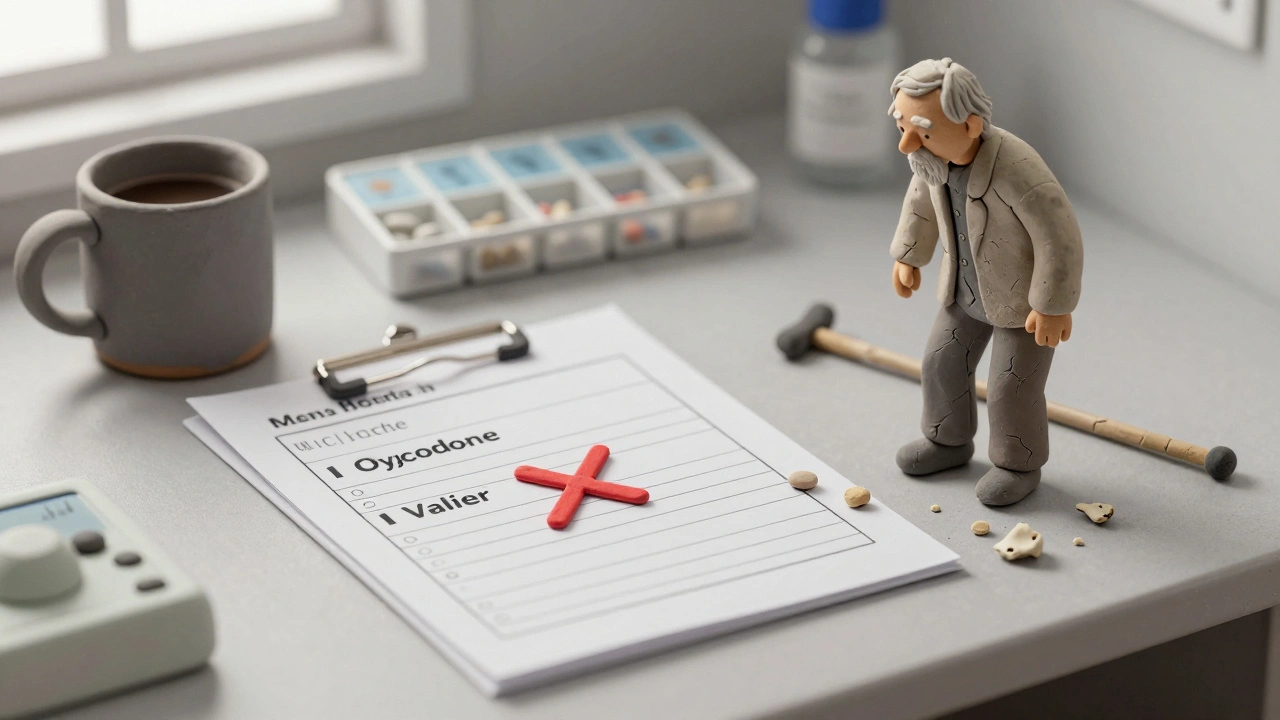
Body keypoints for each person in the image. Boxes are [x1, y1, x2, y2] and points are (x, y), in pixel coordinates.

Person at [887, 57, 1083, 506]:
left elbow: (1059, 235)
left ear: (971, 125)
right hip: (964, 291)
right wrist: (909, 255)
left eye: (922, 130)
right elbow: (920, 200)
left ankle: (1019, 463)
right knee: (940, 362)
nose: (907, 144)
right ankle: (947, 440)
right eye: (902, 127)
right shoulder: (931, 160)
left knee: (1010, 386)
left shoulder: (1019, 170)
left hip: (1024, 307)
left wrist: (1053, 304)